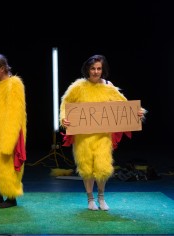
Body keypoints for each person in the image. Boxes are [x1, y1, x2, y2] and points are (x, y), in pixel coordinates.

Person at [60, 55, 146, 211]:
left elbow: (123, 105)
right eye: (93, 68)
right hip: (83, 136)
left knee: (102, 166)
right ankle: (90, 199)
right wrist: (64, 119)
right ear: (87, 69)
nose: (96, 71)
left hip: (103, 135)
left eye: (99, 68)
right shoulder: (78, 86)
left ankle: (101, 197)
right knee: (86, 167)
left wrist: (136, 113)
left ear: (103, 70)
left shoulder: (108, 86)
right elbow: (65, 104)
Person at [0, 54, 27, 208]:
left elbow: (16, 113)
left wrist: (9, 140)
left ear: (2, 69)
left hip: (9, 131)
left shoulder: (14, 85)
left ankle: (11, 198)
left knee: (7, 163)